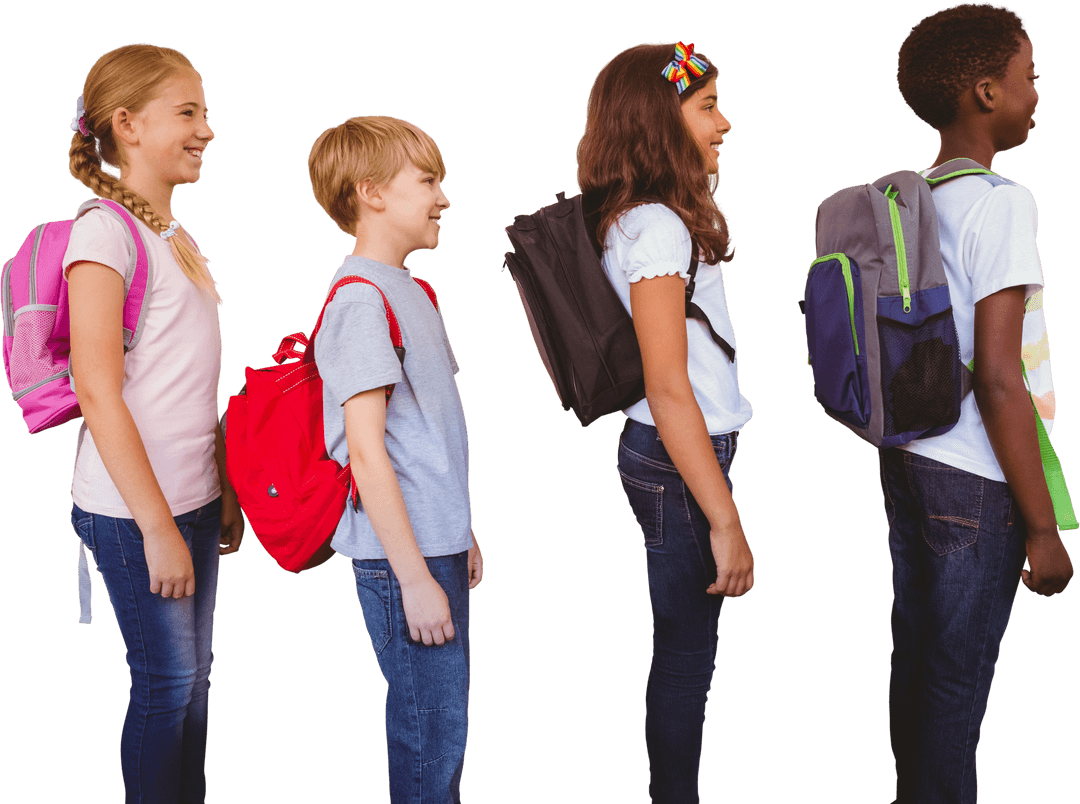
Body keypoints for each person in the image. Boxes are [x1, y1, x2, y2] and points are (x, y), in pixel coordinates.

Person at [883, 5, 1073, 802]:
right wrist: (1042, 529)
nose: (1041, 91)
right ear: (987, 92)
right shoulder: (1002, 202)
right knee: (958, 689)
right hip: (977, 478)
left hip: (908, 460)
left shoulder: (908, 194)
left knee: (917, 662)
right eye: (1031, 77)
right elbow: (997, 378)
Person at [64, 43, 244, 804]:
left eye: (205, 112)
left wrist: (220, 487)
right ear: (128, 124)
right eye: (189, 112)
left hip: (193, 500)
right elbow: (98, 392)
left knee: (194, 691)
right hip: (139, 512)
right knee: (166, 690)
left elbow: (187, 382)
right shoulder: (103, 234)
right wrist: (158, 528)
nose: (207, 129)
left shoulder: (177, 238)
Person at [576, 42, 755, 803]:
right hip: (679, 456)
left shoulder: (634, 216)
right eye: (707, 105)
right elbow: (669, 386)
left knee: (683, 648)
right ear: (660, 115)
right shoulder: (658, 229)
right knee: (686, 656)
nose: (725, 123)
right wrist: (725, 519)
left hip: (668, 451)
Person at [307, 116, 482, 804]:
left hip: (434, 544)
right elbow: (369, 453)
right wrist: (413, 579)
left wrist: (460, 528)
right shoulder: (360, 300)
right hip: (399, 557)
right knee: (426, 730)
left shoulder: (411, 289)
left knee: (445, 727)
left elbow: (433, 432)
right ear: (371, 192)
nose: (444, 198)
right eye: (429, 181)